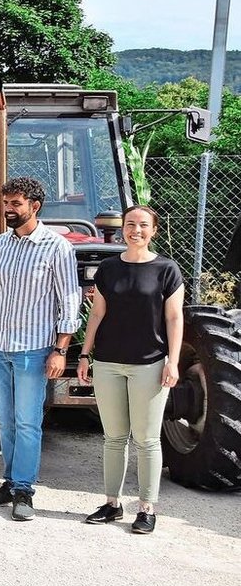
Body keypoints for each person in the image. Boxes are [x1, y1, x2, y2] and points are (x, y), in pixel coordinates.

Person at [0, 177, 81, 522]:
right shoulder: (1, 244)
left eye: (16, 204)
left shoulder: (56, 247)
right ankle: (9, 482)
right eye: (5, 204)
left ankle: (24, 490)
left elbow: (69, 301)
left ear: (35, 206)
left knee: (28, 422)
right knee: (5, 421)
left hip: (34, 349)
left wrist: (60, 349)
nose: (8, 210)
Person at [77, 205, 183, 534]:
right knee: (113, 438)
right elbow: (96, 314)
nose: (135, 230)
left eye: (142, 225)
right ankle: (112, 504)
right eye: (130, 224)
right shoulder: (108, 269)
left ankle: (147, 509)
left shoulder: (167, 270)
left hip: (150, 364)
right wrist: (84, 354)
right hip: (108, 362)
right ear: (122, 228)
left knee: (147, 440)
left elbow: (174, 318)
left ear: (154, 231)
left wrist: (173, 361)